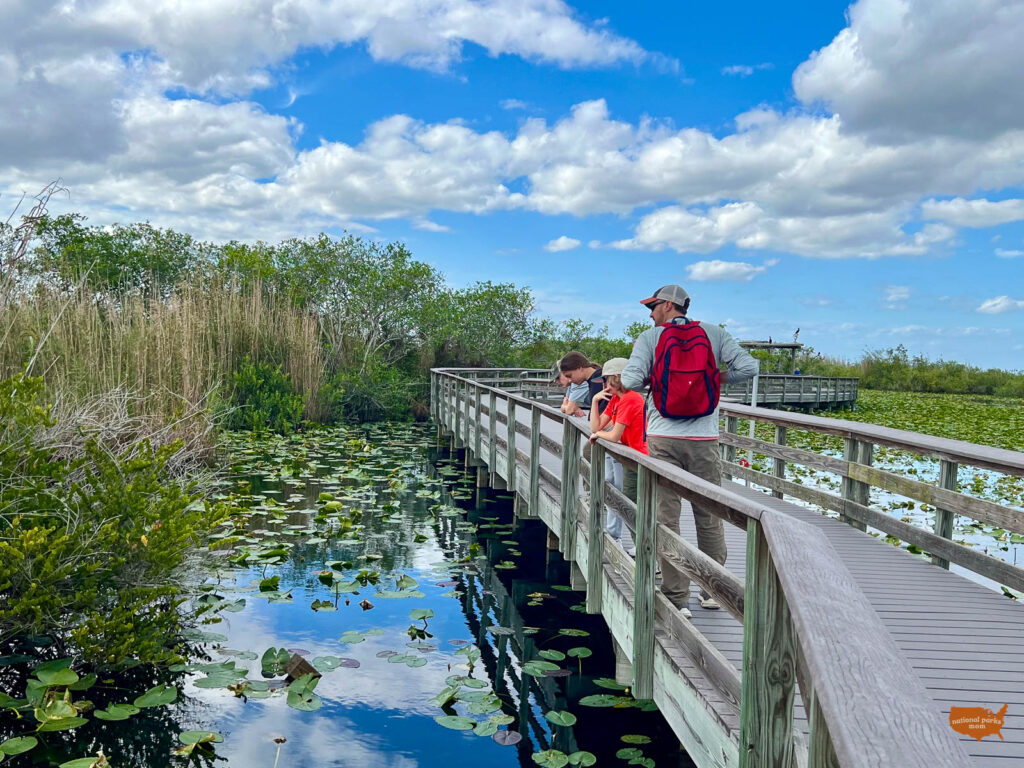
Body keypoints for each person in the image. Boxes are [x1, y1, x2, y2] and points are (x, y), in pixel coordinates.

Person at [621, 284, 758, 619]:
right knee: (709, 514)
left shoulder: (650, 338)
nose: (650, 314)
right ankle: (714, 593)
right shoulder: (715, 333)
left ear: (669, 306)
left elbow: (630, 378)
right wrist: (711, 379)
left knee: (665, 516)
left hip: (663, 437)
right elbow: (749, 368)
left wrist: (659, 383)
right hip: (704, 439)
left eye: (653, 307)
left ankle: (677, 597)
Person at [589, 357, 647, 556]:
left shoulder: (631, 399)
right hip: (629, 457)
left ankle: (646, 551)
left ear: (616, 378)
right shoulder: (616, 399)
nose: (603, 385)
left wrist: (598, 435)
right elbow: (596, 426)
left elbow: (612, 435)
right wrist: (596, 401)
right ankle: (640, 547)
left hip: (639, 459)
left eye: (605, 380)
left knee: (630, 504)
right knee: (625, 501)